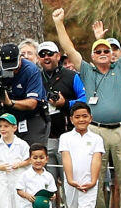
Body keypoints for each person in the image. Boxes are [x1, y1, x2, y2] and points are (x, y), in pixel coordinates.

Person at [53, 1, 121, 208]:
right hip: (95, 130)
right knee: (94, 174)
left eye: (107, 50)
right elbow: (69, 49)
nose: (103, 53)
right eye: (99, 51)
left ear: (112, 54)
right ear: (93, 55)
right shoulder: (86, 70)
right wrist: (58, 23)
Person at [38, 41, 86, 195]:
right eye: (42, 55)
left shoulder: (71, 76)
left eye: (50, 54)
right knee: (47, 180)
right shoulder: (37, 77)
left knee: (69, 178)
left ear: (58, 56)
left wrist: (65, 103)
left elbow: (84, 100)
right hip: (45, 135)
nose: (46, 57)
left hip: (67, 134)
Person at [59, 102, 103, 208]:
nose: (81, 120)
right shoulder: (65, 137)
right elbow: (66, 158)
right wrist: (71, 180)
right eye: (77, 117)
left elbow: (97, 159)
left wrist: (92, 180)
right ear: (71, 119)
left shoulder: (96, 138)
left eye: (85, 116)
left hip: (89, 182)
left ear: (90, 118)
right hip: (71, 182)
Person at [0, 42, 48, 147]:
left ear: (20, 58)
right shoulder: (1, 70)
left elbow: (32, 103)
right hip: (10, 117)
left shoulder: (31, 70)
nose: (12, 70)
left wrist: (9, 102)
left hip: (32, 116)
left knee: (33, 150)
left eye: (14, 66)